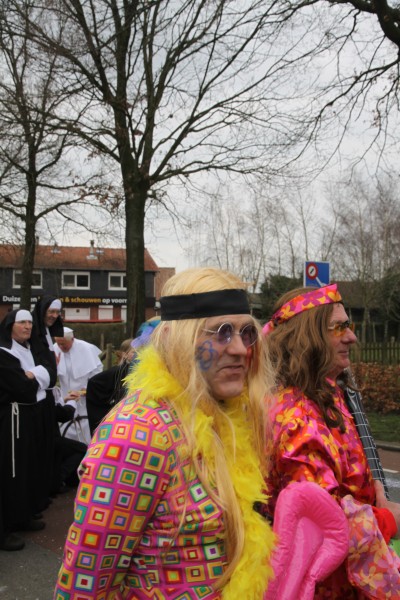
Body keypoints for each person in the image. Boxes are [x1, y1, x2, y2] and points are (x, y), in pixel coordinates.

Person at [54, 267, 276, 599]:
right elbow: (85, 584)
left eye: (246, 333)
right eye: (221, 332)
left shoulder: (226, 417)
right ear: (176, 340)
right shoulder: (138, 433)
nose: (241, 349)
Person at [263, 284, 400, 597]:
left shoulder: (325, 395)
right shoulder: (299, 417)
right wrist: (388, 519)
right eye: (338, 327)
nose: (351, 337)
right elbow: (318, 526)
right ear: (307, 336)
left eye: (349, 326)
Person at [0, 310, 53, 551]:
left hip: (26, 417)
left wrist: (36, 374)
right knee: (10, 471)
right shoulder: (4, 353)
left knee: (25, 468)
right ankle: (6, 527)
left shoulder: (29, 349)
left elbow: (49, 376)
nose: (28, 326)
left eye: (30, 322)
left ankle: (21, 515)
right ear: (10, 325)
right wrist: (39, 375)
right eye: (22, 322)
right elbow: (23, 389)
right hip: (10, 419)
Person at [54, 327, 103, 444]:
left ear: (72, 339)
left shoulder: (86, 348)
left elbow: (97, 371)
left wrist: (87, 387)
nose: (61, 347)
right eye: (59, 344)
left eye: (64, 344)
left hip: (84, 398)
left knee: (85, 432)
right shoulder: (54, 349)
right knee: (66, 432)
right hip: (66, 398)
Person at [85, 338, 135, 435]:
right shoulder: (118, 372)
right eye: (134, 352)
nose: (138, 355)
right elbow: (94, 383)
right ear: (124, 354)